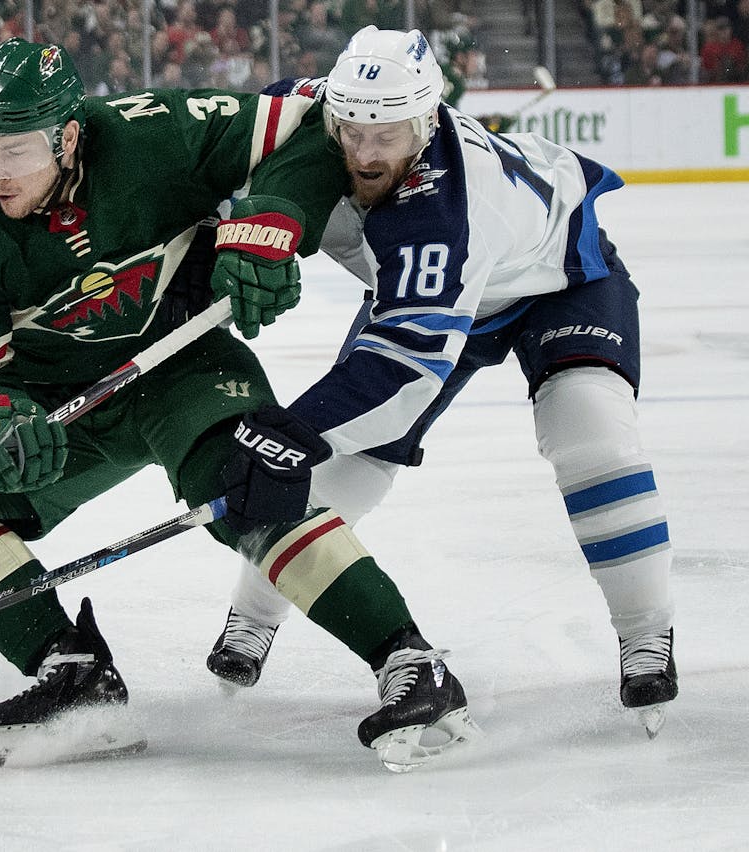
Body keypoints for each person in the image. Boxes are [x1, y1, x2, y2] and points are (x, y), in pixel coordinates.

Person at [0, 37, 479, 771]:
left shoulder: (153, 131)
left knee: (248, 483)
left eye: (19, 152)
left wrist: (267, 223)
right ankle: (71, 673)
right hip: (55, 408)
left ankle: (411, 664)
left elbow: (314, 122)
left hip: (180, 366)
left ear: (69, 136)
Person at [205, 27, 678, 736]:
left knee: (591, 435)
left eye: (386, 135)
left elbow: (404, 369)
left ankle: (646, 632)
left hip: (559, 278)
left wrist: (292, 433)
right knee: (342, 467)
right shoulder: (298, 117)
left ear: (427, 122)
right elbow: (201, 161)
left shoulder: (443, 209)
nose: (364, 154)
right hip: (432, 290)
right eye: (352, 129)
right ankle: (253, 616)